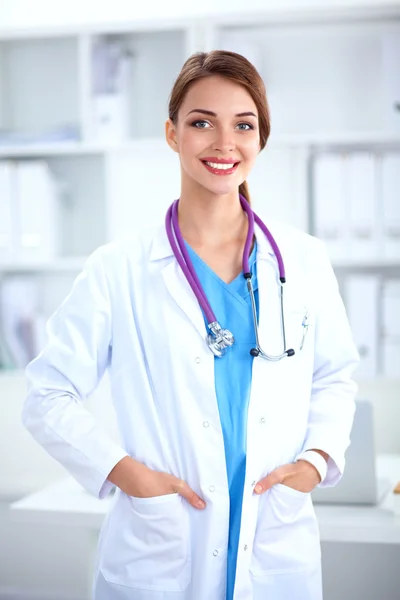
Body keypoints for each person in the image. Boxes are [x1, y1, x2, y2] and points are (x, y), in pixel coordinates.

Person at [22, 50, 359, 600]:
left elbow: (335, 377)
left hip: (273, 536)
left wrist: (316, 462)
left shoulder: (303, 260)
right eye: (202, 122)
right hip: (162, 542)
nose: (224, 143)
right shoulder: (119, 268)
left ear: (260, 139)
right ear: (172, 134)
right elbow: (46, 393)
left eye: (243, 126)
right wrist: (125, 472)